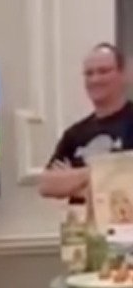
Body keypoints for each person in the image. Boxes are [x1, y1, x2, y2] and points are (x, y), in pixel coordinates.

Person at [39, 43, 133, 199]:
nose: (95, 79)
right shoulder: (74, 134)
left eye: (103, 71)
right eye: (89, 74)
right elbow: (47, 185)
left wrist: (72, 179)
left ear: (124, 74)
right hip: (79, 215)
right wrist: (108, 172)